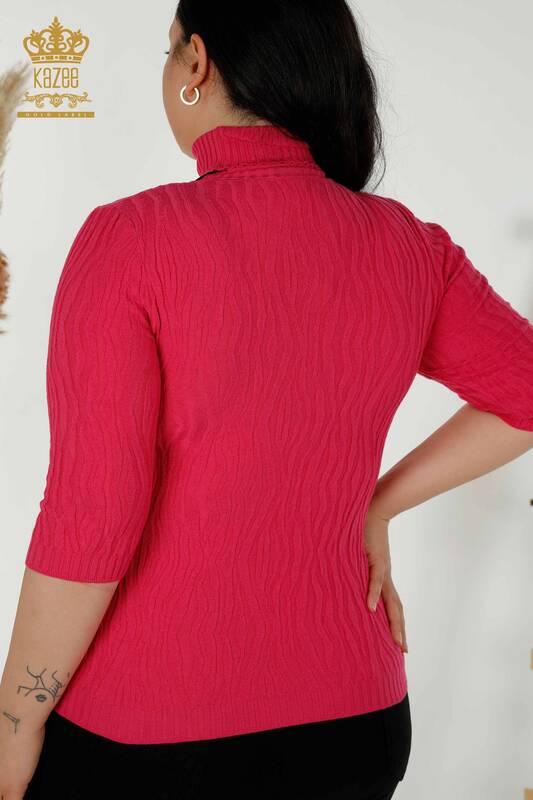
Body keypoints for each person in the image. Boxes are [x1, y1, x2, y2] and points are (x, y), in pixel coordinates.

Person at [2, 1, 533, 798]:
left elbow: (95, 511)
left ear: (197, 62)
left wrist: (14, 722)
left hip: (150, 738)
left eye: (167, 52)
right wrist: (377, 504)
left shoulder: (130, 238)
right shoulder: (410, 245)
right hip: (356, 726)